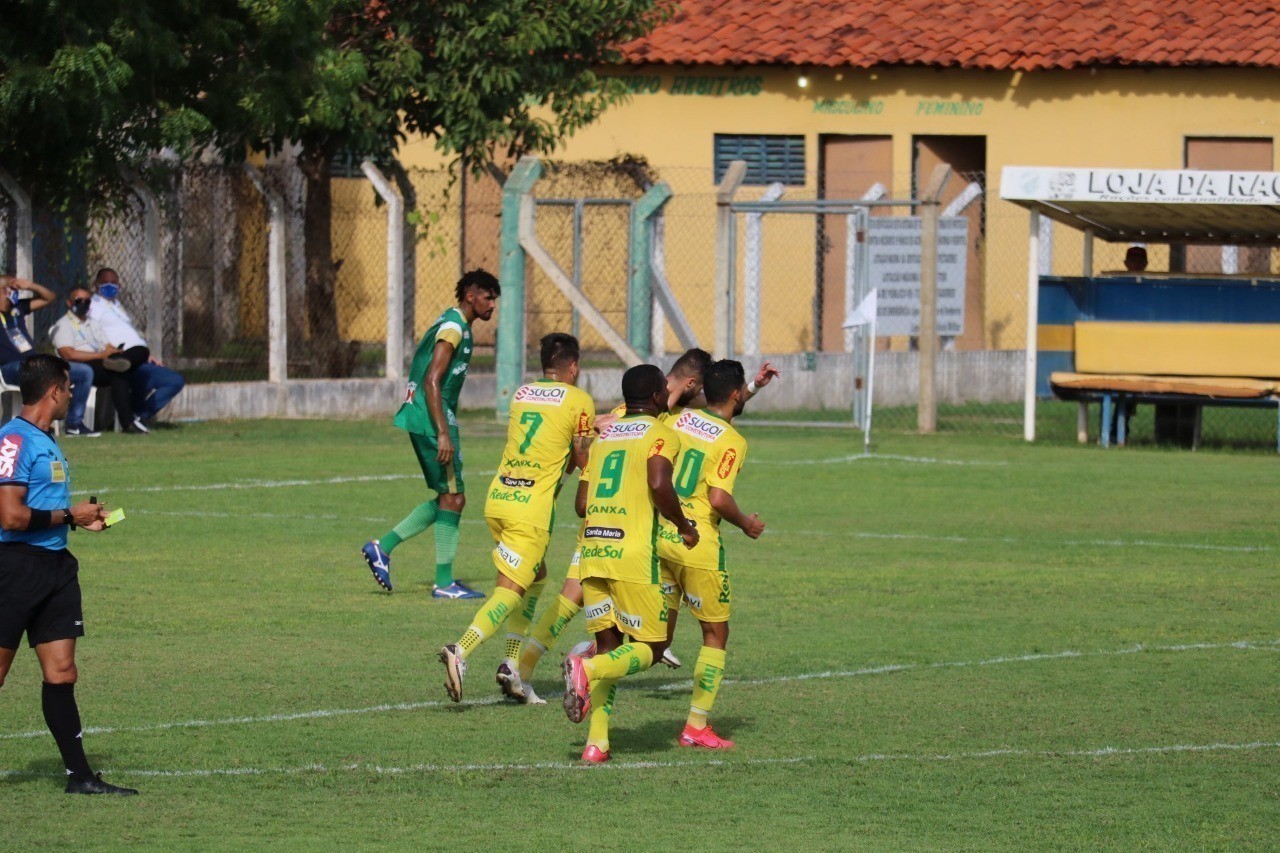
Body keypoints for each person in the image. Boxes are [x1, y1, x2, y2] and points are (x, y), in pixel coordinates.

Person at [514, 351, 780, 687]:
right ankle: (566, 664)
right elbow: (716, 418)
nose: (699, 396)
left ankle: (543, 669)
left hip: (608, 520)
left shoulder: (656, 413)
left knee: (585, 603)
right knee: (576, 601)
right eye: (698, 389)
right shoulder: (659, 419)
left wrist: (753, 387)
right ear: (692, 384)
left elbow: (716, 413)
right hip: (625, 525)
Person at [0, 354, 135, 795]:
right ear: (55, 390)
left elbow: (43, 511)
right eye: (70, 386)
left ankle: (80, 777)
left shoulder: (45, 438)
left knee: (62, 672)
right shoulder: (14, 440)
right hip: (14, 570)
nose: (74, 392)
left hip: (56, 569)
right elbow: (11, 517)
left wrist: (76, 520)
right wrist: (68, 513)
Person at [438, 332, 595, 703]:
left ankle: (510, 666)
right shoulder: (580, 400)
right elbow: (581, 456)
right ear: (573, 368)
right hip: (531, 510)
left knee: (536, 580)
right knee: (509, 592)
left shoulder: (523, 394)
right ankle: (460, 651)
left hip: (500, 499)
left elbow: (550, 440)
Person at [561, 364, 698, 763]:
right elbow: (659, 484)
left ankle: (596, 744)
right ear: (658, 397)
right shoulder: (661, 434)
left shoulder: (603, 439)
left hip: (593, 553)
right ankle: (584, 671)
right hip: (632, 556)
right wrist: (684, 525)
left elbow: (582, 504)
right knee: (653, 647)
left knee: (609, 647)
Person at [361, 269, 500, 599]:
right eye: (488, 297)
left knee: (448, 497)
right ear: (470, 296)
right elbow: (431, 381)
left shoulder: (456, 324)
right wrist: (442, 433)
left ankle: (383, 547)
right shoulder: (453, 328)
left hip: (429, 415)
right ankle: (443, 583)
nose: (493, 304)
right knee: (454, 497)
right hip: (431, 418)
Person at [657, 359, 764, 750]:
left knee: (655, 640)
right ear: (736, 394)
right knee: (715, 634)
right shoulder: (733, 441)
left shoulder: (677, 420)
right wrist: (746, 524)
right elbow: (718, 498)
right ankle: (695, 726)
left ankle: (589, 662)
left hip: (661, 534)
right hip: (698, 542)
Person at [0, 275, 98, 437]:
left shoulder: (17, 309)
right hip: (10, 368)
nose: (15, 291)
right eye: (11, 288)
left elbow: (49, 297)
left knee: (84, 372)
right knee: (42, 374)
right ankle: (39, 423)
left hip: (36, 363)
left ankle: (74, 424)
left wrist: (30, 285)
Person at [89, 269, 185, 425]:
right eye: (106, 282)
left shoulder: (117, 306)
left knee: (174, 380)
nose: (111, 286)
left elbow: (127, 333)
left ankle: (141, 415)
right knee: (131, 376)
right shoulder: (93, 306)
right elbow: (92, 332)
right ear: (97, 285)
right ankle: (132, 416)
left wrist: (146, 355)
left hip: (140, 359)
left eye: (114, 282)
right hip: (118, 358)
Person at [48, 288, 148, 434]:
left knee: (140, 351)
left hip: (101, 362)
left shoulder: (93, 323)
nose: (84, 304)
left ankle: (121, 361)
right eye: (78, 301)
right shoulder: (63, 324)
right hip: (79, 365)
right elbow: (67, 354)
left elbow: (105, 344)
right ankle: (128, 422)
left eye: (87, 301)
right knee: (118, 373)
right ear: (69, 303)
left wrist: (112, 351)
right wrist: (100, 356)